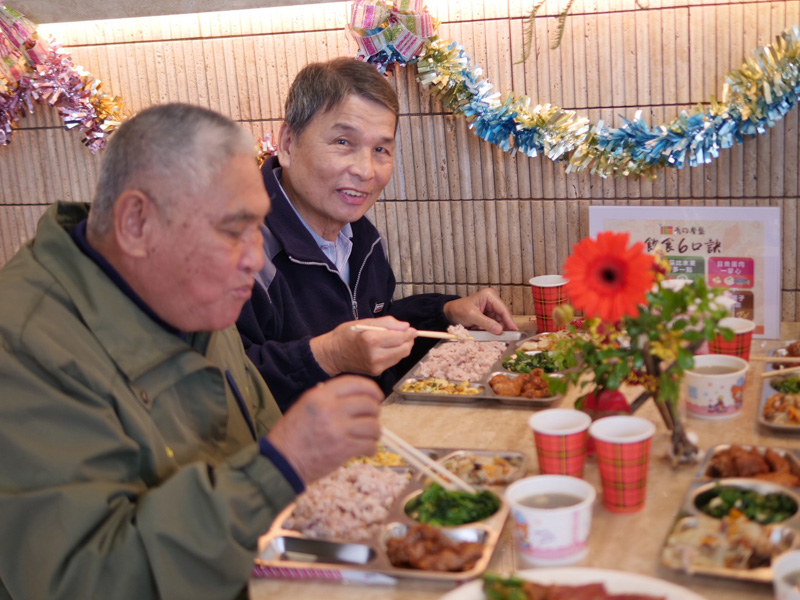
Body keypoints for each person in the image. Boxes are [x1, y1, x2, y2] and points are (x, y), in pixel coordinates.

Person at [0, 103, 384, 600]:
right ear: (136, 223)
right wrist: (278, 467)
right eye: (232, 230)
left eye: (258, 229)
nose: (254, 258)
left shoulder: (195, 299)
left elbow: (256, 439)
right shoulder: (24, 344)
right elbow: (85, 582)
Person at [237, 57, 517, 411]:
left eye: (380, 150)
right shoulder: (235, 250)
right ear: (289, 144)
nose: (366, 171)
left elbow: (366, 330)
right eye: (343, 142)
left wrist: (444, 312)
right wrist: (329, 355)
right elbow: (216, 390)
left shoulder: (361, 238)